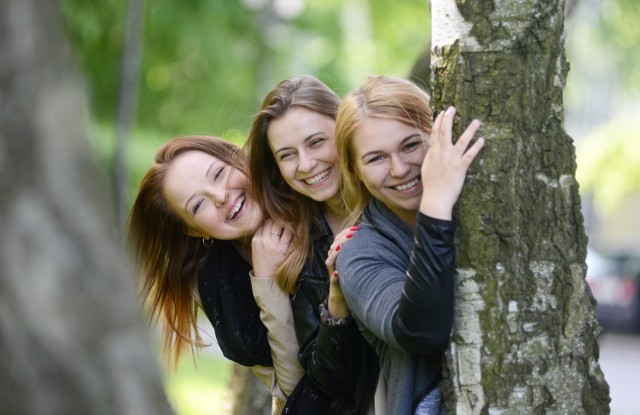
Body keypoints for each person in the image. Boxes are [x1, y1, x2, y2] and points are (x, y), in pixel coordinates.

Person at [329, 75, 485, 414]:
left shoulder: (482, 211)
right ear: (355, 171)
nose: (399, 169)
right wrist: (436, 205)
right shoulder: (357, 252)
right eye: (376, 159)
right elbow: (421, 331)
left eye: (410, 145)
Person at [127, 135, 305, 414]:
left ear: (239, 160)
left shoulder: (310, 198)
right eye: (198, 205)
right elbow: (296, 391)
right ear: (194, 230)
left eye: (220, 174)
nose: (221, 196)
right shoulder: (220, 289)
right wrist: (268, 285)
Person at [246, 75, 380, 414]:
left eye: (317, 142)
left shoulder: (392, 200)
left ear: (345, 129)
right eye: (287, 154)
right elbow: (324, 377)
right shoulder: (299, 246)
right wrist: (336, 307)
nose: (305, 165)